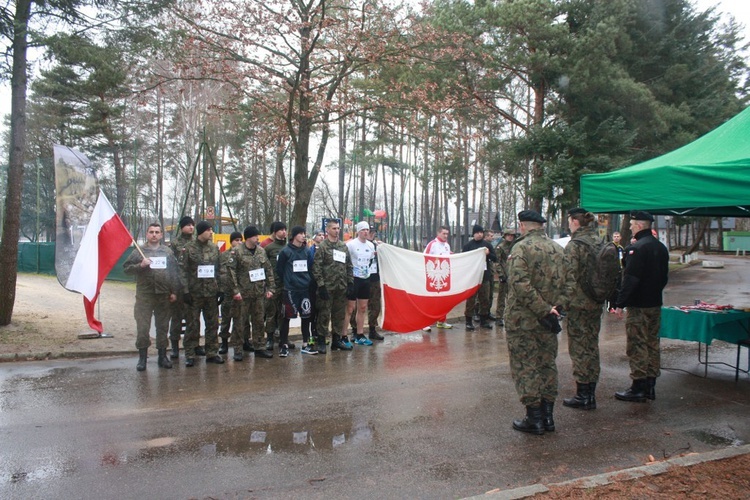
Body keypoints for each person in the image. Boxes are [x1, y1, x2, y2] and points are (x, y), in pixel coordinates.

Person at [506, 210, 566, 435]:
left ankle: (535, 419)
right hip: (549, 320)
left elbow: (520, 283)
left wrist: (543, 309)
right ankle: (548, 417)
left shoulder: (521, 248)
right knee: (546, 364)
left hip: (524, 320)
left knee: (526, 365)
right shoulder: (557, 248)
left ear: (522, 226)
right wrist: (555, 309)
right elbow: (569, 282)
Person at [612, 211, 669, 402]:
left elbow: (631, 279)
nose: (629, 227)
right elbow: (664, 278)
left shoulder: (636, 249)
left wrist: (620, 303)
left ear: (638, 225)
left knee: (637, 345)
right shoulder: (660, 248)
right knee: (652, 343)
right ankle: (650, 386)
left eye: (631, 224)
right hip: (655, 303)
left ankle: (638, 387)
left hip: (639, 306)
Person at [561, 208, 604, 410]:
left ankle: (583, 394)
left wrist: (562, 302)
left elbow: (568, 277)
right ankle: (591, 393)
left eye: (570, 221)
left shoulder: (575, 245)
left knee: (579, 348)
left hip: (578, 304)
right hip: (596, 301)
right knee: (591, 346)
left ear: (575, 222)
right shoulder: (598, 241)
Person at [123, 223, 181, 371]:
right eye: (151, 232)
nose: (154, 235)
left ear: (161, 235)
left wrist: (174, 291)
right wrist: (140, 265)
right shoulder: (139, 251)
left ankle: (163, 356)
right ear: (147, 234)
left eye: (157, 232)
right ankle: (142, 358)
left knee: (162, 327)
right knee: (143, 327)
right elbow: (126, 269)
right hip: (145, 296)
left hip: (163, 296)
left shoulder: (167, 252)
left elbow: (174, 273)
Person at [227, 226, 275, 361]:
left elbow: (268, 270)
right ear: (248, 237)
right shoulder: (237, 252)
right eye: (255, 236)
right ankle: (238, 348)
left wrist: (271, 288)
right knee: (240, 322)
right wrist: (235, 290)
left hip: (258, 293)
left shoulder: (261, 251)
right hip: (243, 294)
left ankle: (259, 346)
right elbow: (231, 273)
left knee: (259, 321)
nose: (258, 239)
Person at [180, 220, 224, 366]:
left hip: (211, 293)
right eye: (208, 230)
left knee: (212, 324)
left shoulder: (214, 248)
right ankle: (190, 353)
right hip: (194, 293)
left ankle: (212, 352)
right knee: (192, 324)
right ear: (201, 232)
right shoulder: (188, 248)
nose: (211, 232)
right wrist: (185, 291)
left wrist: (220, 289)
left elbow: (219, 270)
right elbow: (183, 271)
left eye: (211, 230)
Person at [312, 219, 354, 353]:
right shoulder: (323, 247)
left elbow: (349, 266)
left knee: (339, 315)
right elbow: (316, 268)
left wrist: (350, 283)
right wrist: (321, 286)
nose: (337, 231)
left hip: (341, 288)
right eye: (334, 228)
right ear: (328, 230)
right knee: (324, 315)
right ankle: (321, 341)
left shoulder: (343, 246)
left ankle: (336, 340)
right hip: (327, 288)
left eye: (338, 228)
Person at [277, 226, 315, 355]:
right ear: (293, 236)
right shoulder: (285, 252)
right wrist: (289, 280)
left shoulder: (307, 251)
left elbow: (310, 267)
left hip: (305, 289)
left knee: (306, 317)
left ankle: (306, 344)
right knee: (286, 318)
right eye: (300, 233)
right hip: (290, 290)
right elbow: (280, 270)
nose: (303, 236)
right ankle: (284, 345)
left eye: (304, 233)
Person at [168, 215, 199, 359]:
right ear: (182, 227)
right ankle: (174, 347)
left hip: (194, 286)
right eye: (188, 225)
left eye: (192, 225)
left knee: (193, 318)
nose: (191, 227)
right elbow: (172, 265)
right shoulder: (175, 244)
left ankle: (195, 345)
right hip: (178, 286)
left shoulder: (197, 242)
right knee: (177, 318)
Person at [344, 221, 376, 346]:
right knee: (350, 308)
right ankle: (344, 336)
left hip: (365, 279)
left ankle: (360, 334)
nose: (365, 232)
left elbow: (371, 261)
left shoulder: (371, 245)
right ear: (358, 231)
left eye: (367, 230)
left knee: (362, 308)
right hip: (353, 279)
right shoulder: (351, 245)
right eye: (363, 230)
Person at [462, 225, 497, 330]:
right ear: (473, 234)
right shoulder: (468, 246)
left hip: (484, 276)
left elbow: (495, 258)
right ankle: (468, 321)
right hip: (472, 277)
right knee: (471, 300)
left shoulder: (487, 245)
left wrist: (488, 254)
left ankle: (483, 320)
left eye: (481, 232)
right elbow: (463, 260)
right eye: (477, 232)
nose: (479, 234)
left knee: (484, 299)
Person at [263, 221, 290, 351]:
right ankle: (269, 338)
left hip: (287, 285)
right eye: (280, 230)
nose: (283, 232)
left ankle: (284, 339)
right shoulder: (269, 248)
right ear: (275, 232)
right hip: (273, 285)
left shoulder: (289, 247)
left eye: (285, 229)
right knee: (271, 312)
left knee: (285, 314)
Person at [423, 225, 453, 331]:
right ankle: (425, 323)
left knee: (443, 300)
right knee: (430, 300)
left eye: (447, 234)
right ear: (438, 233)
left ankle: (441, 321)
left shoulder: (447, 246)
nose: (445, 236)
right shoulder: (432, 245)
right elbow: (424, 258)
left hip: (444, 277)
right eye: (444, 233)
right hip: (433, 277)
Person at [219, 231, 244, 355]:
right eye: (236, 240)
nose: (239, 242)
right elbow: (219, 273)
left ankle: (238, 347)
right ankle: (223, 343)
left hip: (241, 293)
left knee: (239, 321)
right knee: (225, 320)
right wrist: (220, 290)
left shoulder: (243, 255)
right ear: (231, 241)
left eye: (240, 240)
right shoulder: (223, 255)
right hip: (227, 293)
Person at [494, 228, 516, 326]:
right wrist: (501, 275)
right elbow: (497, 262)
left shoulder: (515, 246)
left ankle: (512, 316)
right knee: (501, 297)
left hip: (513, 275)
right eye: (508, 235)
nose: (510, 237)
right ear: (505, 236)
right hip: (504, 275)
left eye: (512, 235)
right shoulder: (500, 247)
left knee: (513, 297)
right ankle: (499, 316)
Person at [607, 231, 625, 312]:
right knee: (612, 289)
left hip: (620, 270)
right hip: (612, 271)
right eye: (615, 236)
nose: (616, 238)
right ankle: (611, 306)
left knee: (619, 288)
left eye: (618, 236)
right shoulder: (611, 247)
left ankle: (617, 305)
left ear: (620, 237)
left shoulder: (621, 248)